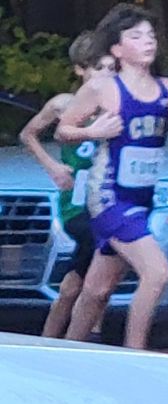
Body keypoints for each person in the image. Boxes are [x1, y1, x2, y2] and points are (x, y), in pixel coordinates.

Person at [61, 5, 168, 351]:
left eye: (151, 36)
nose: (148, 42)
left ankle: (66, 354)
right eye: (136, 36)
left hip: (142, 198)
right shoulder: (103, 88)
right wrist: (92, 132)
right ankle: (135, 355)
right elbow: (64, 130)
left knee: (97, 290)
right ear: (117, 49)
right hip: (108, 196)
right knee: (157, 273)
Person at [20, 32, 110, 340]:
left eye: (111, 68)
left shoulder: (115, 107)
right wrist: (53, 167)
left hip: (104, 197)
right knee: (101, 246)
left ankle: (54, 339)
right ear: (80, 70)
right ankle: (91, 331)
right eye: (98, 68)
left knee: (76, 283)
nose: (105, 75)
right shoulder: (65, 105)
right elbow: (28, 134)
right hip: (77, 199)